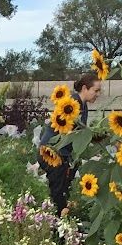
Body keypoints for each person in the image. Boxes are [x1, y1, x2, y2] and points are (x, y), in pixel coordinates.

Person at [37, 71, 102, 216]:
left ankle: (61, 225)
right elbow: (70, 132)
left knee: (63, 189)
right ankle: (56, 227)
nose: (98, 94)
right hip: (52, 152)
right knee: (58, 193)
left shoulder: (82, 105)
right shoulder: (72, 105)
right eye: (96, 90)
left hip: (63, 153)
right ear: (85, 88)